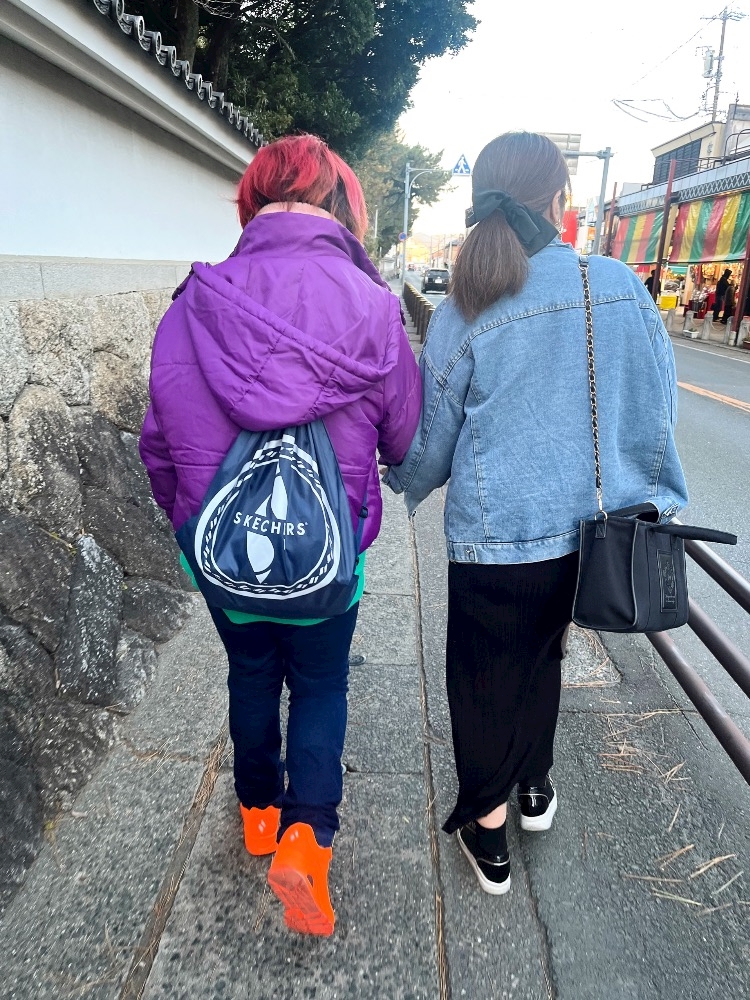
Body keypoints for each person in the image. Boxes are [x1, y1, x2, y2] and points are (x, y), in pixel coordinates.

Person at [385, 131, 688, 896]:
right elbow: (656, 406)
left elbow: (430, 443)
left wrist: (399, 481)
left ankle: (489, 834)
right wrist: (647, 489)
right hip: (593, 538)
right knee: (546, 656)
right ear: (559, 202)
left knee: (487, 675)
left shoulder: (466, 306)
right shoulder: (615, 284)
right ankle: (535, 787)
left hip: (497, 541)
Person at [139, 134, 421, 935]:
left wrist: (191, 529)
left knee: (252, 676)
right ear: (343, 206)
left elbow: (157, 444)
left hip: (224, 557)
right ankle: (307, 837)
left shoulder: (193, 303)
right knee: (322, 685)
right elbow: (404, 439)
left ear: (252, 204)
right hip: (328, 562)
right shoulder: (374, 308)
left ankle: (258, 813)